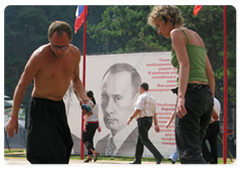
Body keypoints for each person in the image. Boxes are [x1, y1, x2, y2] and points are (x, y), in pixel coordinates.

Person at [6, 21, 91, 165]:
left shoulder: (74, 54)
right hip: (40, 107)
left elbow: (75, 80)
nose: (59, 51)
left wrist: (83, 99)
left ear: (70, 40)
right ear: (49, 40)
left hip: (58, 107)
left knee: (64, 146)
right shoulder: (39, 56)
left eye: (63, 47)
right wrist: (13, 117)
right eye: (55, 46)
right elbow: (22, 85)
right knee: (44, 154)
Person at [148, 4, 215, 165]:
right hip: (205, 97)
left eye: (159, 25)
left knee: (189, 155)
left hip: (191, 97)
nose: (158, 31)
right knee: (194, 152)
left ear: (168, 19)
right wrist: (211, 103)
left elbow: (185, 65)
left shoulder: (176, 33)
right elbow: (210, 75)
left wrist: (181, 98)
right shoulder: (197, 36)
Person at [95, 63, 141, 156]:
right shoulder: (100, 145)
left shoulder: (139, 143)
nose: (108, 109)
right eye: (105, 97)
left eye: (117, 98)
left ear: (136, 99)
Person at [127, 82, 164, 165]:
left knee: (145, 140)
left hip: (142, 120)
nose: (139, 90)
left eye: (139, 89)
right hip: (149, 120)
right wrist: (156, 124)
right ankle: (137, 160)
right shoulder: (152, 98)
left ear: (141, 88)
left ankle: (158, 156)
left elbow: (138, 109)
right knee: (140, 140)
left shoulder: (141, 97)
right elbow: (155, 113)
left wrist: (131, 118)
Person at [82, 90, 101, 163]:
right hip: (95, 123)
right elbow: (97, 115)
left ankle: (94, 151)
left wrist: (84, 124)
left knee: (84, 139)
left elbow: (87, 114)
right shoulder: (96, 104)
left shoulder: (88, 104)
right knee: (90, 139)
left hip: (89, 123)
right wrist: (98, 125)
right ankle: (89, 156)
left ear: (87, 96)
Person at [202, 97, 221, 165]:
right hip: (217, 123)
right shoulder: (217, 100)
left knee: (199, 139)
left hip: (210, 122)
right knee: (213, 143)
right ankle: (214, 162)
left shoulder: (206, 99)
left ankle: (208, 157)